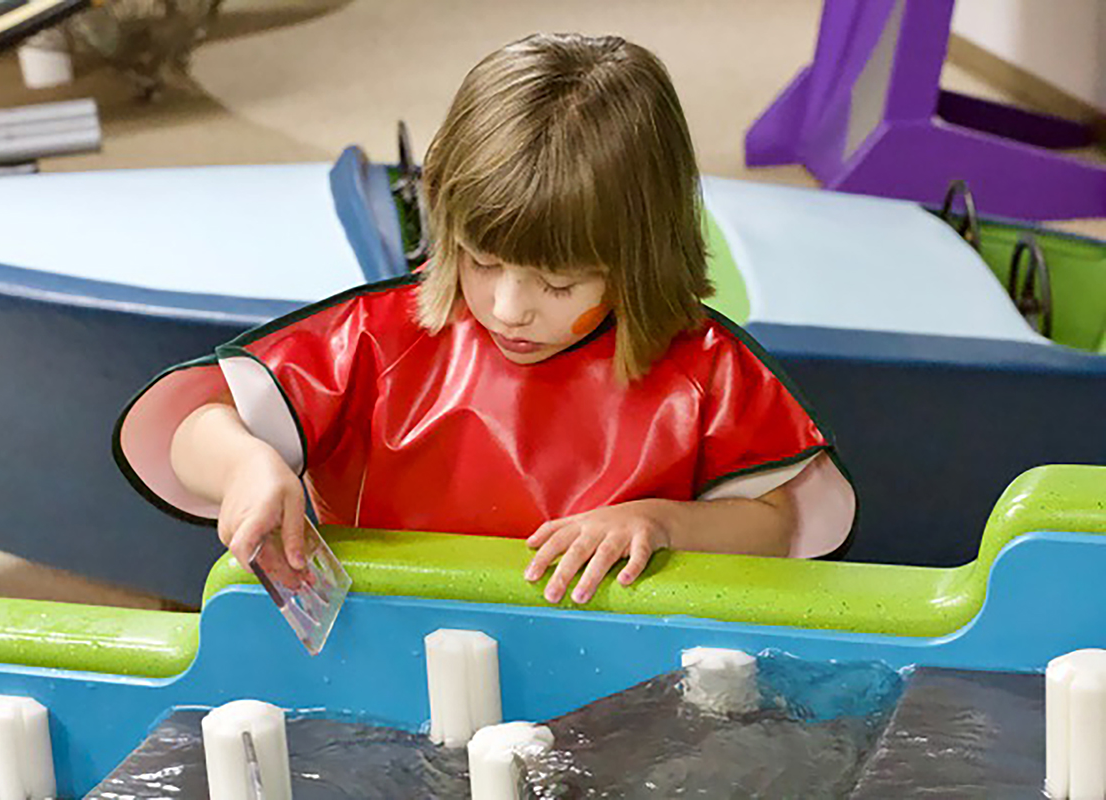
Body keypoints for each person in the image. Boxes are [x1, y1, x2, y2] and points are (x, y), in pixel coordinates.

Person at [113, 33, 856, 605]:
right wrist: (246, 465)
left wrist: (663, 524)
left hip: (614, 681)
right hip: (393, 653)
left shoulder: (704, 370)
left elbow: (776, 525)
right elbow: (192, 428)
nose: (507, 307)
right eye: (480, 260)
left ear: (640, 257)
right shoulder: (383, 337)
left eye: (559, 282)